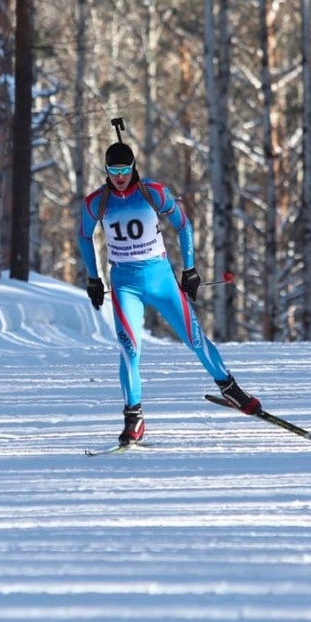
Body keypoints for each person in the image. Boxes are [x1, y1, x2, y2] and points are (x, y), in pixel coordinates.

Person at [77, 140, 261, 445]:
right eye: (114, 171)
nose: (120, 176)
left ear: (134, 166)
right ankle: (133, 418)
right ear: (106, 170)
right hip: (125, 284)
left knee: (195, 338)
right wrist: (93, 278)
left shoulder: (154, 192)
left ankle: (230, 389)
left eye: (125, 169)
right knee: (129, 350)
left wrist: (190, 269)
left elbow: (184, 225)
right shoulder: (97, 201)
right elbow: (84, 236)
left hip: (160, 278)